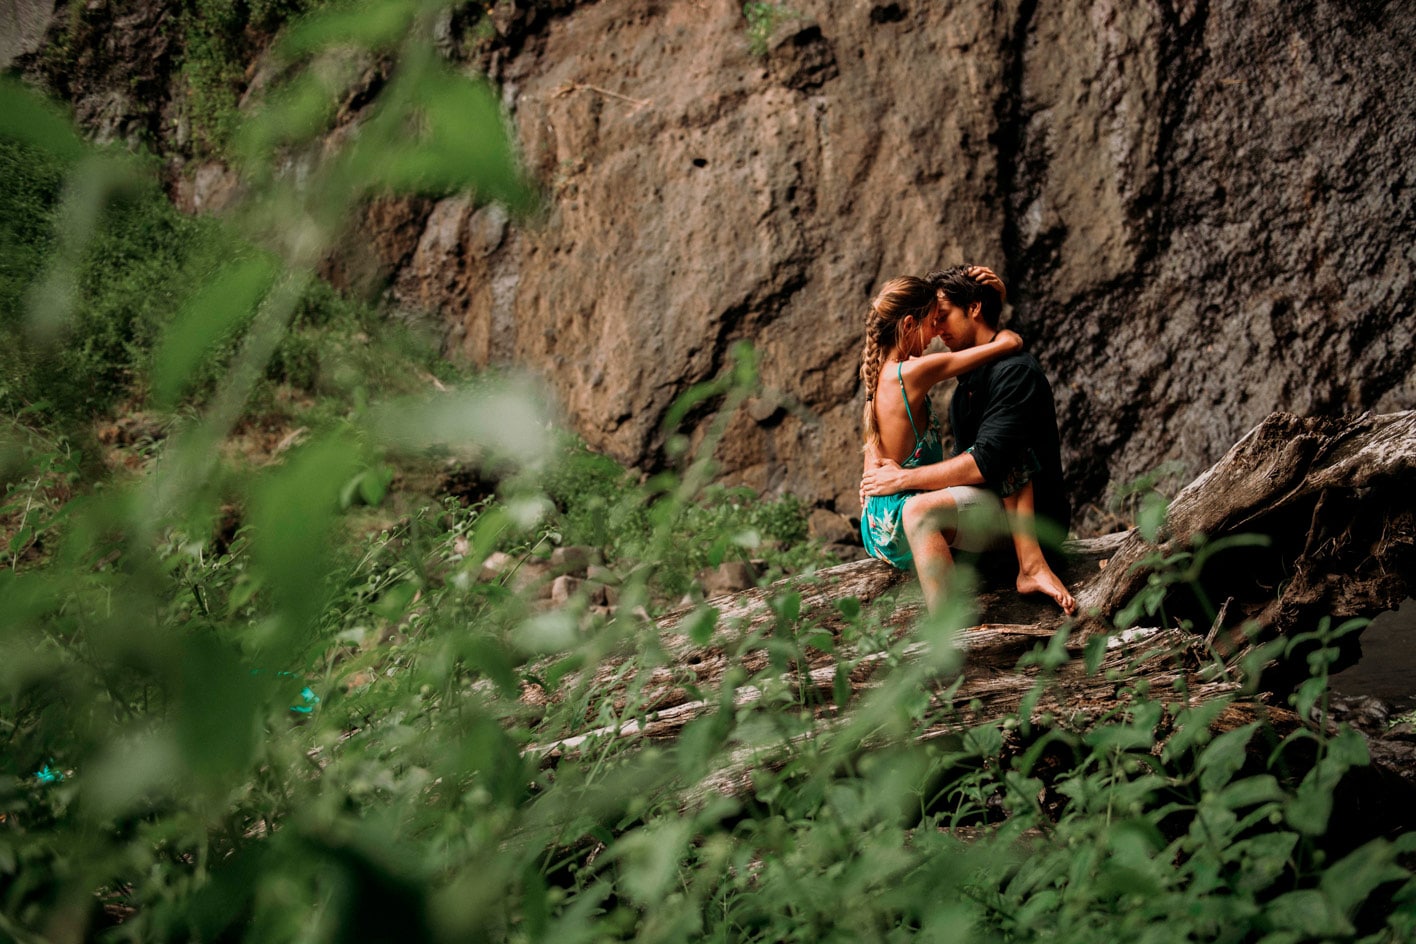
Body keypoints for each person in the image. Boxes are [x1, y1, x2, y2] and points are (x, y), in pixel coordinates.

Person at [859, 266, 1075, 615]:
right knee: (925, 504)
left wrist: (897, 478)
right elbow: (987, 349)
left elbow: (986, 462)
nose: (936, 331)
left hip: (1036, 520)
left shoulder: (1012, 373)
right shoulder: (956, 386)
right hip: (956, 511)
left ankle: (1029, 565)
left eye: (941, 317)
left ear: (973, 308)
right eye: (931, 320)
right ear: (909, 324)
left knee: (997, 454)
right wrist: (1002, 325)